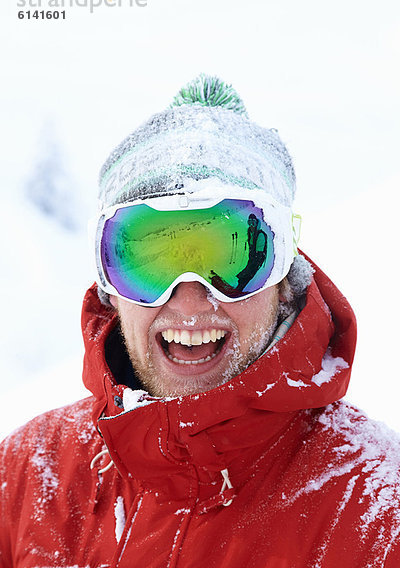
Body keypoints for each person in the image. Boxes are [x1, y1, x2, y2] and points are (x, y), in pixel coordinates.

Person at [1, 74, 399, 568]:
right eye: (149, 260)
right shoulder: (27, 472)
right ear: (109, 286)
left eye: (231, 255)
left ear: (283, 277)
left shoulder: (378, 512)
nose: (190, 304)